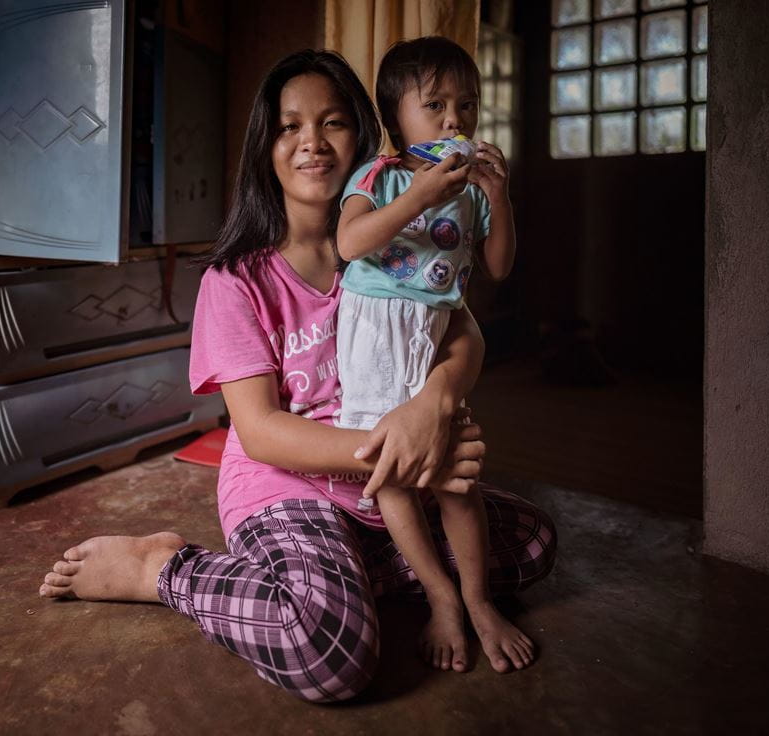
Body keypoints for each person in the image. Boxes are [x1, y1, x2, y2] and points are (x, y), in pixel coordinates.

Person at [38, 49, 556, 702]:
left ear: (366, 138)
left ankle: (355, 571)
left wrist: (435, 409)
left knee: (534, 543)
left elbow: (464, 332)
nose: (312, 141)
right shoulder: (237, 281)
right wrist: (404, 449)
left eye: (333, 122)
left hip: (388, 479)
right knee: (324, 649)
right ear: (266, 148)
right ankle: (163, 568)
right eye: (289, 126)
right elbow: (260, 433)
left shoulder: (393, 244)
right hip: (291, 484)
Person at [334, 36, 527, 674]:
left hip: (436, 332)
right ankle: (441, 597)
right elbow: (349, 242)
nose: (455, 121)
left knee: (454, 473)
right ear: (396, 120)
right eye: (436, 105)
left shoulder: (472, 192)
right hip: (376, 333)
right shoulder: (378, 175)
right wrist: (414, 198)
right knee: (389, 471)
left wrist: (497, 198)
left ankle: (475, 600)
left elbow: (497, 268)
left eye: (467, 107)